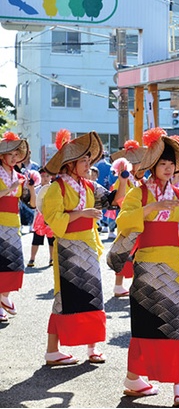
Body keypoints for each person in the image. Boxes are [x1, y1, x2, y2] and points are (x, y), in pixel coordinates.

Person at [115, 127, 179, 406]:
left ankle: (178, 386)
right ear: (152, 166)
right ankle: (134, 378)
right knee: (147, 322)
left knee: (178, 322)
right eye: (163, 163)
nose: (168, 168)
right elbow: (123, 222)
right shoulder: (139, 193)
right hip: (147, 264)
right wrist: (151, 207)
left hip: (175, 263)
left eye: (171, 163)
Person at [42, 129, 127, 365]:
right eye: (83, 160)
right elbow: (53, 217)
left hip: (88, 244)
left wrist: (123, 180)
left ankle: (93, 348)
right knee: (64, 297)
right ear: (69, 164)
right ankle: (52, 350)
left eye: (89, 160)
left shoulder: (89, 186)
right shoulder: (56, 187)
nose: (88, 163)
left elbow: (113, 200)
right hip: (68, 246)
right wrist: (82, 212)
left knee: (92, 295)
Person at [106, 140, 148, 297]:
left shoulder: (140, 181)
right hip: (127, 220)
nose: (142, 167)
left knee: (137, 254)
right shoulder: (123, 180)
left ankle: (133, 284)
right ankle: (118, 285)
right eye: (139, 164)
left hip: (140, 220)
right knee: (124, 252)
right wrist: (123, 180)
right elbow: (119, 199)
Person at [0, 131, 33, 323]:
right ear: (2, 155)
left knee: (13, 261)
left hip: (14, 221)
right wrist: (11, 189)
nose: (13, 158)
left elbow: (27, 200)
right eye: (10, 154)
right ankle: (2, 299)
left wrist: (28, 188)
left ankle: (4, 296)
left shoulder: (17, 174)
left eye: (15, 154)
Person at [28, 168, 54, 268]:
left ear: (51, 177)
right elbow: (33, 204)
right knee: (36, 240)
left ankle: (52, 258)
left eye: (47, 176)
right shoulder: (36, 189)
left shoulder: (54, 188)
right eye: (42, 176)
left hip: (51, 217)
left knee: (52, 240)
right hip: (39, 218)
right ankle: (32, 258)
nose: (45, 178)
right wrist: (32, 191)